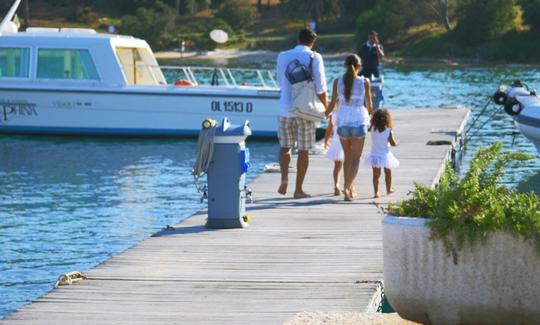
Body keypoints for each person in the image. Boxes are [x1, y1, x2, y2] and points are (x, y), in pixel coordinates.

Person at [276, 27, 328, 198]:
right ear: (312, 42)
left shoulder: (282, 56)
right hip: (305, 110)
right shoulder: (314, 57)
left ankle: (284, 179)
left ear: (298, 39)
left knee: (285, 147)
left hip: (284, 109)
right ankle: (298, 189)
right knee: (304, 150)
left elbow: (279, 81)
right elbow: (321, 87)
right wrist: (325, 108)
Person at [325, 54, 372, 201]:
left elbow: (332, 104)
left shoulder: (337, 81)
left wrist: (325, 114)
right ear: (359, 66)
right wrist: (368, 115)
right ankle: (347, 187)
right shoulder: (365, 82)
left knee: (347, 158)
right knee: (356, 159)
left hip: (343, 121)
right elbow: (369, 106)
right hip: (358, 120)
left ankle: (349, 190)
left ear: (345, 66)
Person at [363, 109, 400, 198]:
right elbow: (392, 143)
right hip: (385, 156)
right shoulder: (388, 131)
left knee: (376, 175)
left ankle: (376, 192)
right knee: (388, 173)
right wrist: (397, 143)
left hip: (375, 155)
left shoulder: (372, 129)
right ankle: (389, 189)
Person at [324, 112, 344, 196]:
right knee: (347, 166)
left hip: (336, 142)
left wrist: (326, 141)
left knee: (337, 166)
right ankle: (348, 186)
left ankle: (336, 184)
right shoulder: (348, 113)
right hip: (345, 141)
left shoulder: (333, 115)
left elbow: (329, 129)